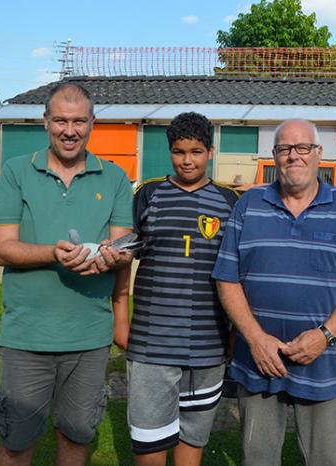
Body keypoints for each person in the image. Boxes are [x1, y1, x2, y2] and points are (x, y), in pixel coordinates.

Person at [212, 119, 336, 466]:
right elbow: (227, 278)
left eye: (303, 148)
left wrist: (324, 335)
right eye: (284, 149)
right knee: (257, 459)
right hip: (258, 362)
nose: (294, 156)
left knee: (324, 460)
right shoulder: (249, 204)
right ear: (274, 156)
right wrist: (256, 340)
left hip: (321, 363)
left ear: (318, 154)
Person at [0, 83, 134, 466]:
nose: (70, 130)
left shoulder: (116, 178)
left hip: (89, 338)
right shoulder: (16, 172)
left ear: (92, 124)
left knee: (76, 438)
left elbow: (123, 248)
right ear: (45, 121)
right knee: (16, 443)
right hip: (26, 337)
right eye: (61, 121)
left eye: (79, 121)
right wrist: (53, 253)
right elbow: (2, 248)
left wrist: (106, 258)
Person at [123, 112, 239, 466]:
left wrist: (233, 335)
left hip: (208, 342)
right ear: (169, 152)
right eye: (178, 151)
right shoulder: (149, 194)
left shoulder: (230, 201)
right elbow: (124, 256)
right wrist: (119, 318)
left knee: (192, 435)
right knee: (150, 440)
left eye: (196, 151)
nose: (187, 160)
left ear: (211, 151)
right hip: (151, 342)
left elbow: (236, 273)